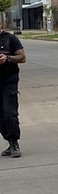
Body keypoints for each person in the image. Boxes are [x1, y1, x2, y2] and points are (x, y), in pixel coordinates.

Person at [0, 22, 25, 158]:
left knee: (9, 113)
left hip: (9, 80)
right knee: (1, 116)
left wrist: (7, 58)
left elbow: (22, 57)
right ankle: (9, 142)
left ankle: (14, 142)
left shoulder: (10, 39)